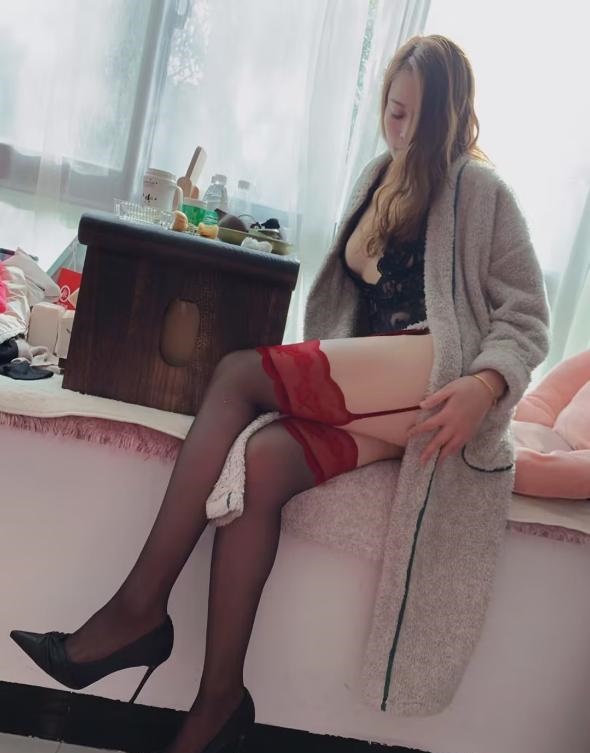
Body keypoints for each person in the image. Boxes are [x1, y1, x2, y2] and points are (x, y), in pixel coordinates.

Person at [10, 35, 550, 753]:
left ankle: (137, 610)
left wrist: (486, 385)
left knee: (239, 374)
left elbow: (527, 316)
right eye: (394, 111)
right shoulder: (377, 180)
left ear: (451, 116)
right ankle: (219, 704)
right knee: (261, 466)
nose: (402, 130)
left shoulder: (480, 190)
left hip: (438, 381)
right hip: (384, 397)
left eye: (418, 118)